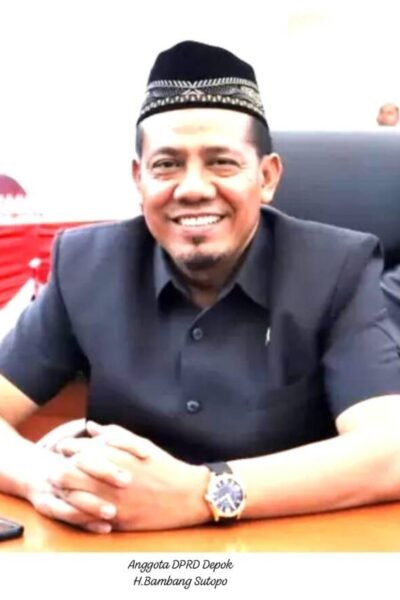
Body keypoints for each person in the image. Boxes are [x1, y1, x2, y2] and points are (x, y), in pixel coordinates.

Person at [1, 41, 400, 534]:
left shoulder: (338, 267)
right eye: (166, 164)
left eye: (222, 162)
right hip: (122, 552)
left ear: (267, 177)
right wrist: (43, 477)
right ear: (139, 179)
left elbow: (389, 451)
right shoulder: (85, 265)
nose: (192, 188)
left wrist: (204, 492)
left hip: (288, 546)